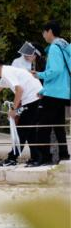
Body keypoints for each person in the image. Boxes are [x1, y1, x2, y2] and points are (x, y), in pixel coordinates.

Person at [0, 57, 43, 166]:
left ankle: (12, 159)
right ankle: (36, 158)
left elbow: (19, 90)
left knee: (22, 130)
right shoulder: (6, 72)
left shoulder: (7, 72)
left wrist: (13, 110)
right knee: (29, 131)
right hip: (34, 98)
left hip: (33, 99)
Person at [31, 21, 70, 165]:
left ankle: (43, 158)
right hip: (62, 93)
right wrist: (44, 90)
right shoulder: (65, 45)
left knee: (43, 126)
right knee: (59, 127)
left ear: (50, 31)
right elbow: (63, 73)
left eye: (44, 32)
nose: (43, 35)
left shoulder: (54, 47)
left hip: (53, 95)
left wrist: (39, 75)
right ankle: (64, 156)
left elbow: (56, 70)